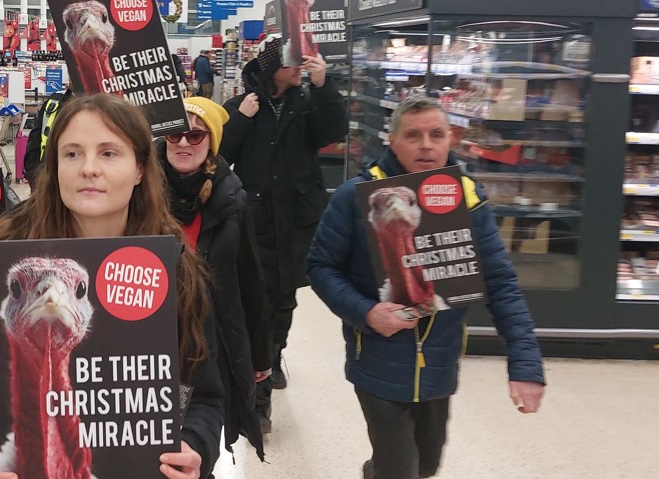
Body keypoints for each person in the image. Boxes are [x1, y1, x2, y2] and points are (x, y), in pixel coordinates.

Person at [0, 94, 224, 479]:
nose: (88, 169)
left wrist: (195, 445)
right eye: (71, 154)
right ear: (53, 167)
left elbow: (208, 395)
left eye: (108, 153)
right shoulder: (0, 263)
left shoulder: (174, 268)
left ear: (139, 169)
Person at [306, 95, 546, 479]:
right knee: (400, 469)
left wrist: (526, 366)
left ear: (451, 138)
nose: (426, 145)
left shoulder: (467, 201)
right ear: (393, 141)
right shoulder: (356, 197)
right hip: (378, 360)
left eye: (437, 134)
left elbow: (501, 283)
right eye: (413, 135)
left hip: (438, 364)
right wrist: (365, 312)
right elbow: (319, 267)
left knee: (427, 464)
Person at [220, 34, 348, 433]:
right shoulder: (243, 105)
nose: (300, 68)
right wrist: (241, 118)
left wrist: (326, 86)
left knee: (285, 299)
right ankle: (258, 398)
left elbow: (334, 131)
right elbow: (220, 154)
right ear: (275, 67)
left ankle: (275, 356)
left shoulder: (308, 103)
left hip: (295, 220)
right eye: (294, 62)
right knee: (255, 303)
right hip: (255, 222)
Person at [159, 97, 272, 461]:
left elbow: (250, 280)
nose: (183, 144)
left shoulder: (231, 198)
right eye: (175, 134)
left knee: (195, 436)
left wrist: (259, 354)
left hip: (209, 342)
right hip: (150, 333)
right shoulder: (140, 193)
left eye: (195, 135)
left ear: (211, 142)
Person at [21, 86, 74, 188]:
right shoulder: (53, 102)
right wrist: (34, 176)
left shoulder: (103, 108)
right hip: (47, 182)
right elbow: (35, 142)